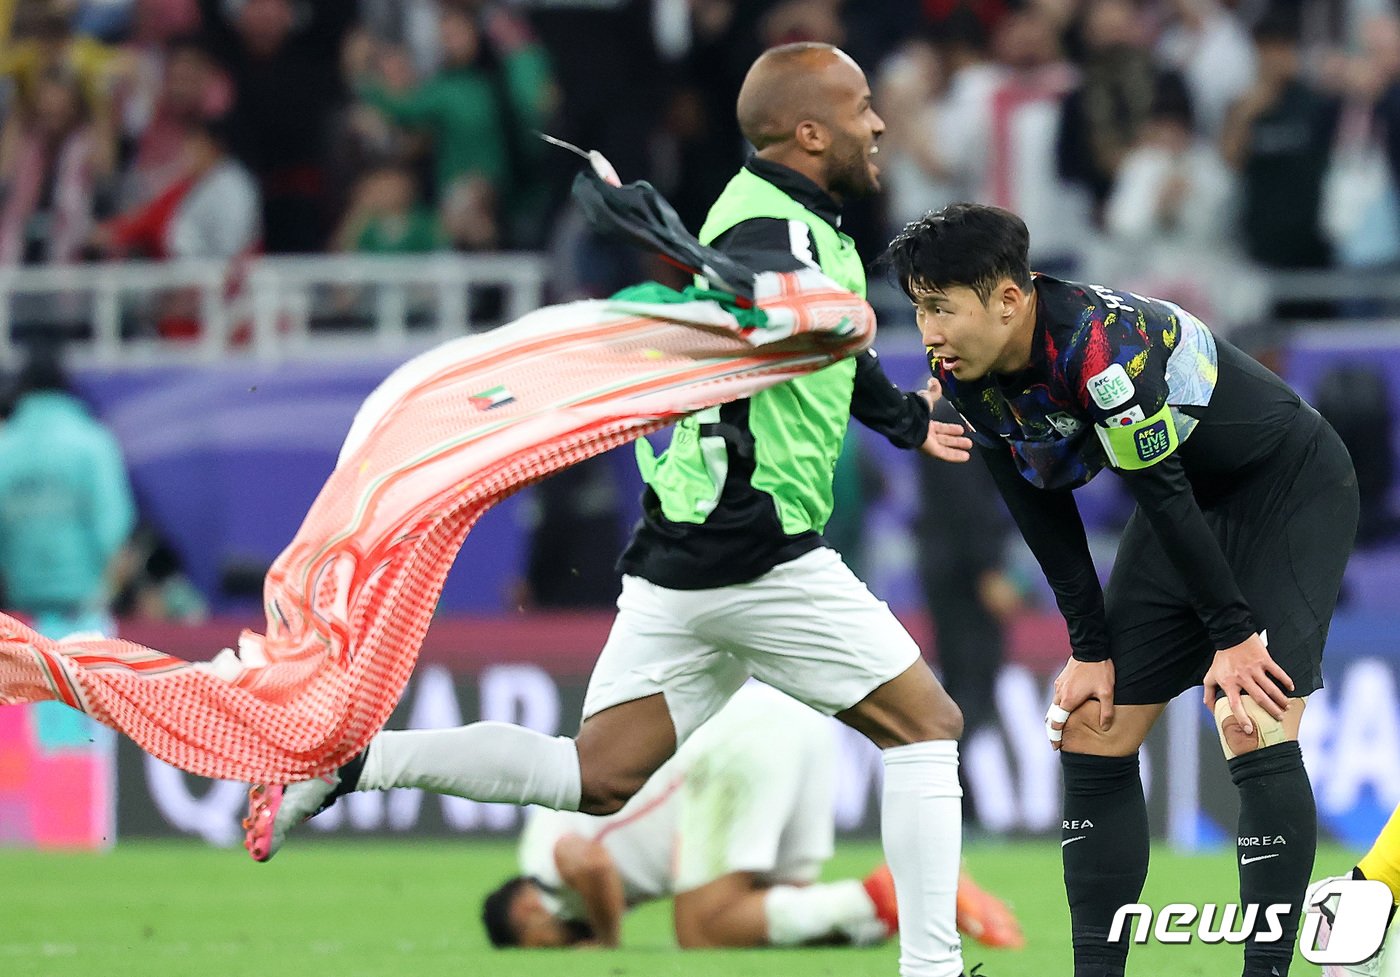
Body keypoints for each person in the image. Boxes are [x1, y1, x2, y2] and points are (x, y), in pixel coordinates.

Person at [246, 42, 977, 977]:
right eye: (862, 107)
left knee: (594, 775)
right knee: (928, 726)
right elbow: (767, 289)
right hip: (751, 547)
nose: (878, 124)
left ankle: (349, 764)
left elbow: (823, 335)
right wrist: (738, 282)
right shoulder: (776, 229)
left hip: (684, 558)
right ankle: (934, 969)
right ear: (809, 131)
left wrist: (900, 418)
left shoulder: (805, 228)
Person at [883, 203, 1358, 977]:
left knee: (1251, 717)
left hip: (1290, 488)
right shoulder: (961, 374)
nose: (928, 329)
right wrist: (1088, 649)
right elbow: (1038, 504)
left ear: (1008, 298)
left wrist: (1234, 637)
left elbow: (1161, 493)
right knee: (1091, 723)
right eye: (919, 308)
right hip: (1184, 505)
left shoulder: (1100, 353)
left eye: (941, 306)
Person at [483, 684, 1023, 951]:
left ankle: (894, 893)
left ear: (526, 913)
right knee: (769, 919)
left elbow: (590, 862)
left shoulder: (542, 870)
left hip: (738, 750)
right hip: (796, 728)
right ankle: (917, 895)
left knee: (700, 929)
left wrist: (608, 943)